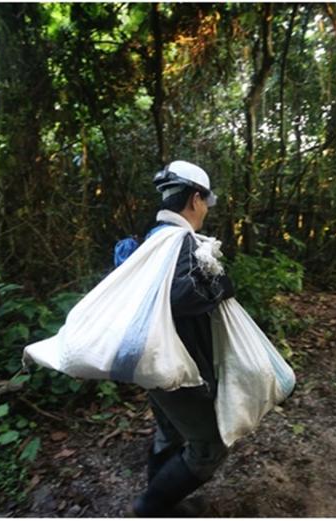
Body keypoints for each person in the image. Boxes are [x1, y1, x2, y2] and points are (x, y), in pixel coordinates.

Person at [131, 160, 235, 517]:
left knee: (170, 433)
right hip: (177, 368)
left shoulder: (151, 239)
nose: (206, 209)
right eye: (205, 201)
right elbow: (180, 296)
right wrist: (221, 284)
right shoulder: (180, 243)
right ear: (194, 198)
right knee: (209, 446)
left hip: (150, 361)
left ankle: (160, 503)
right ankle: (151, 509)